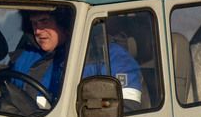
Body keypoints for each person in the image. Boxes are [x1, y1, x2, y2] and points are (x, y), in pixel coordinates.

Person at [9, 10, 143, 111]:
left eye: (44, 21)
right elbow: (9, 94)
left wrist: (86, 107)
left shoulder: (113, 58)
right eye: (34, 23)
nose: (37, 31)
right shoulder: (26, 56)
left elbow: (126, 110)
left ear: (64, 23)